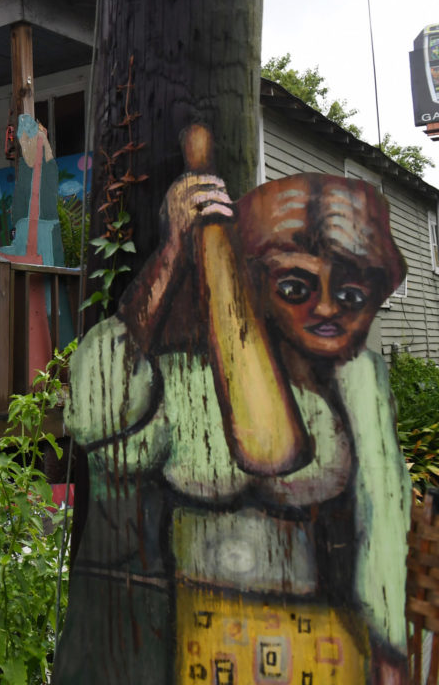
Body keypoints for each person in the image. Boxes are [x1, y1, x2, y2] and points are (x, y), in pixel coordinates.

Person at [53, 170, 409, 685]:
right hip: (187, 639)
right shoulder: (189, 373)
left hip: (325, 646)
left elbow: (384, 520)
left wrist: (390, 646)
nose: (327, 308)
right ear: (255, 282)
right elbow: (94, 415)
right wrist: (172, 252)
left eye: (352, 294)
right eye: (295, 286)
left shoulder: (361, 386)